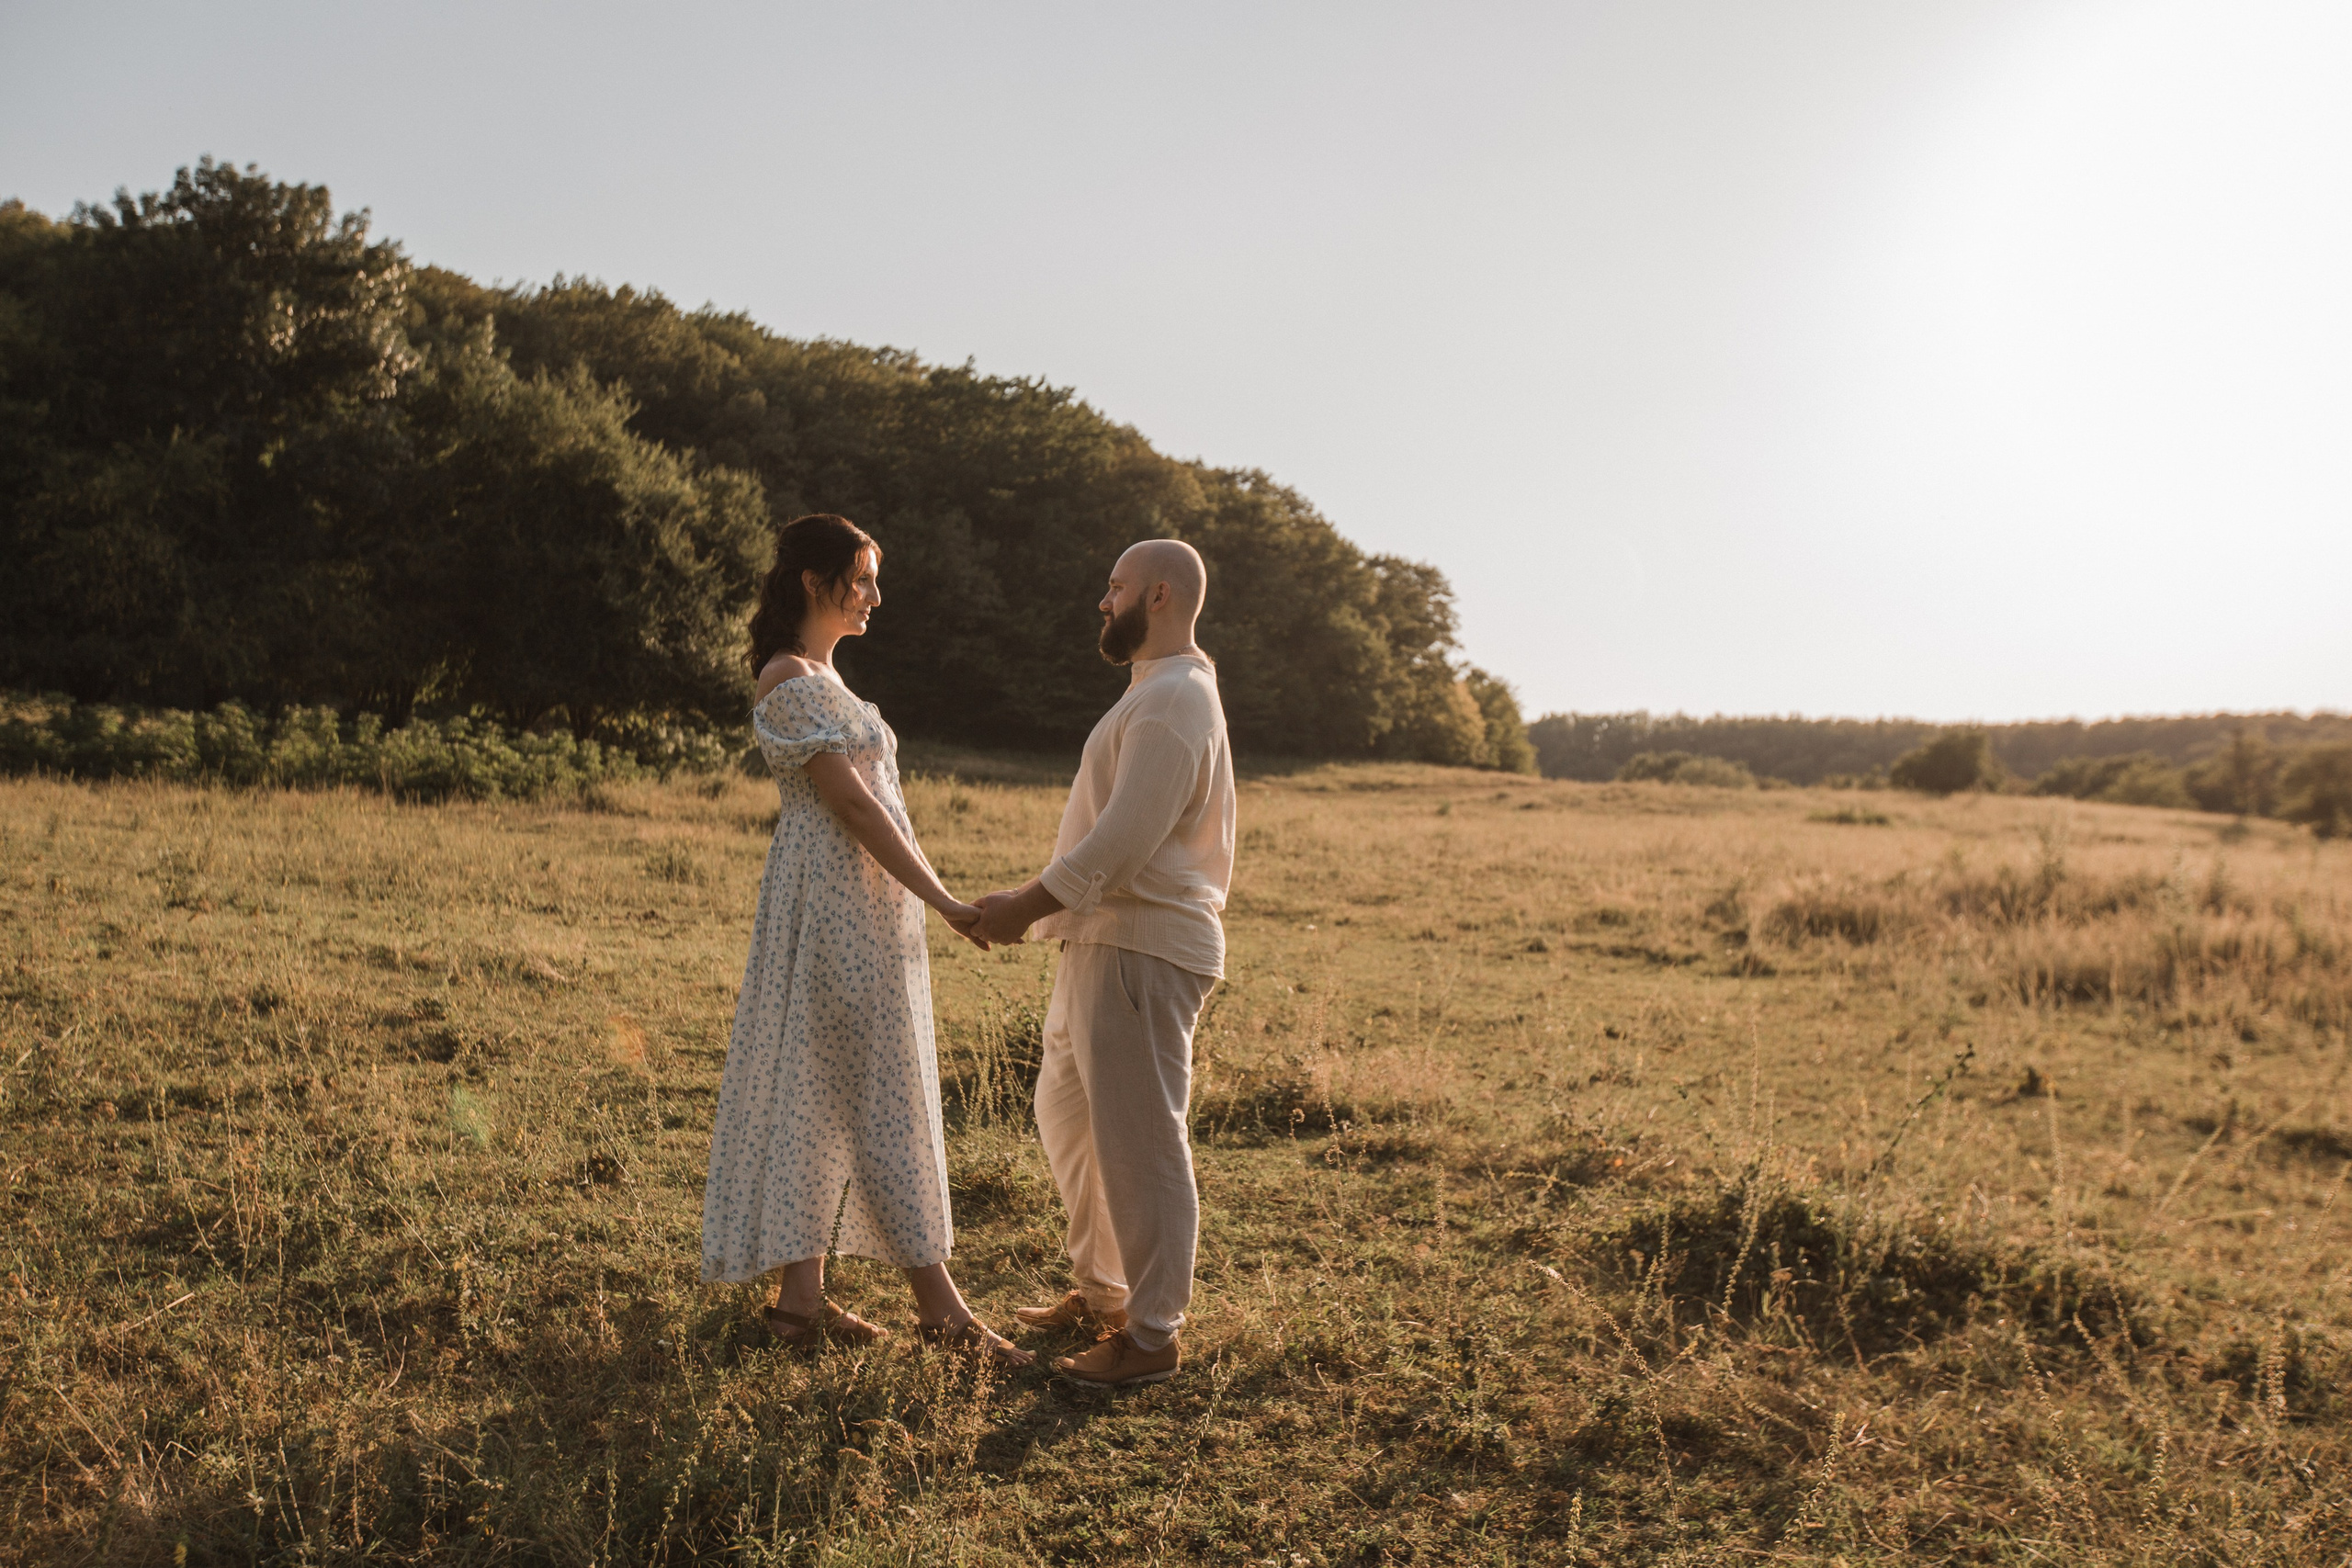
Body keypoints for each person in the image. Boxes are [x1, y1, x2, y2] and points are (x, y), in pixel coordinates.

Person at [702, 513, 1032, 1368]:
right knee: (874, 1090)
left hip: (860, 907)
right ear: (814, 581)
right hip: (835, 911)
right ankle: (942, 1310)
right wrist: (947, 898)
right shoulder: (790, 679)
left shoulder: (824, 677)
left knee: (829, 1083)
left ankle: (799, 1304)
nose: (876, 596)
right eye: (862, 578)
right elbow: (855, 807)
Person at [972, 538, 1236, 1386]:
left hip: (1142, 945)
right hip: (1102, 941)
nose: (1101, 600)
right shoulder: (1156, 692)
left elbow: (1122, 843)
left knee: (1140, 1140)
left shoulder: (1174, 699)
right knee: (1069, 1116)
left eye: (1114, 586)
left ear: (1157, 595)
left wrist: (1022, 904)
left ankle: (1153, 1337)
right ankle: (1106, 1290)